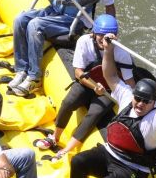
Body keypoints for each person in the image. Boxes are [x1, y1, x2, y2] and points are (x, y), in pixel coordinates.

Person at [58, 32, 156, 178]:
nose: (139, 104)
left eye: (145, 101)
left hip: (132, 168)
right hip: (109, 153)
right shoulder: (126, 98)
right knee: (78, 161)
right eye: (137, 98)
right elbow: (111, 75)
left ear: (153, 103)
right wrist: (108, 49)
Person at [8, 0, 115, 97]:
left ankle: (33, 77)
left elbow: (110, 6)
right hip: (54, 11)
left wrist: (109, 31)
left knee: (35, 25)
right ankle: (21, 70)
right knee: (20, 20)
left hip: (74, 21)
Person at [34, 14, 135, 158]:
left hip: (108, 90)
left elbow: (130, 82)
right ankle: (54, 137)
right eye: (100, 35)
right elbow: (78, 72)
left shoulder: (122, 53)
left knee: (94, 114)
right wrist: (94, 87)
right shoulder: (84, 42)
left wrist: (133, 102)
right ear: (94, 33)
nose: (104, 39)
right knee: (69, 102)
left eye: (109, 36)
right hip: (88, 83)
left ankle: (67, 149)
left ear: (115, 36)